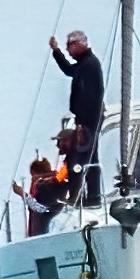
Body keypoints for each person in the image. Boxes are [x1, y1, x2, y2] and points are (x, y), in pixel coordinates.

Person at [49, 28, 104, 195]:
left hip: (90, 119)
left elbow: (93, 96)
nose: (68, 50)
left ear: (79, 45)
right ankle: (86, 194)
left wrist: (85, 122)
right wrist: (56, 51)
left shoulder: (90, 64)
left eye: (69, 46)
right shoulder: (84, 63)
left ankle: (91, 195)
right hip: (85, 118)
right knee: (85, 156)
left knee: (88, 156)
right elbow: (69, 71)